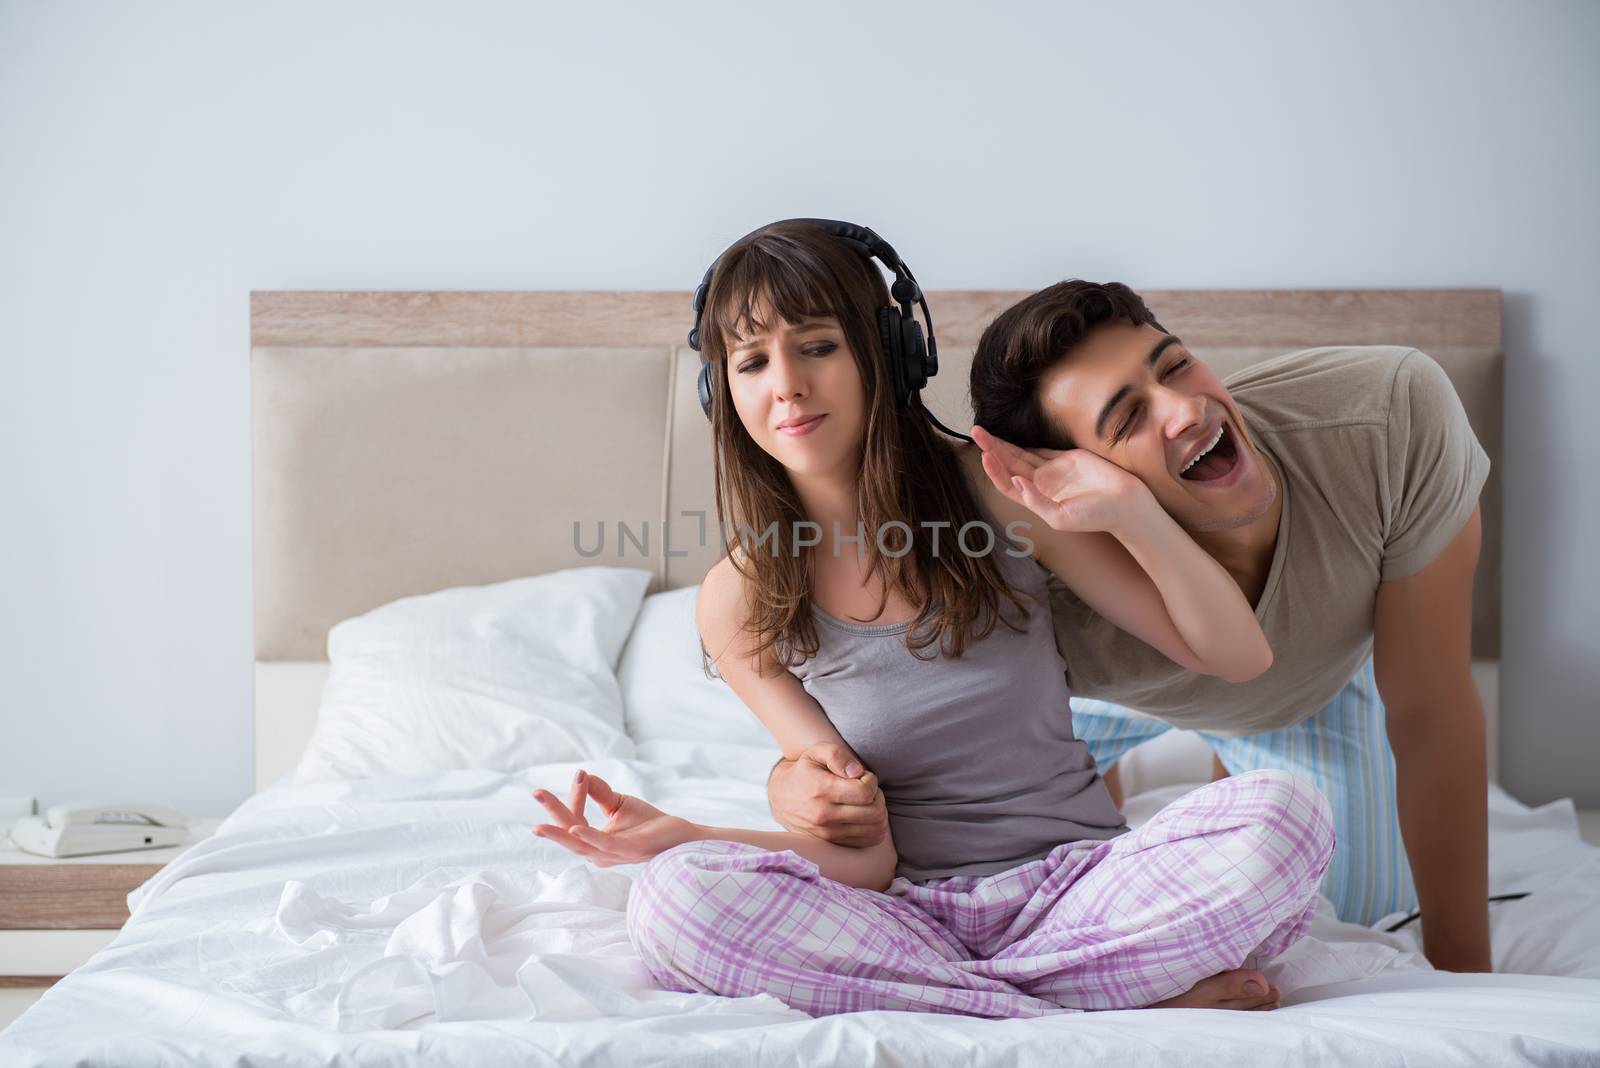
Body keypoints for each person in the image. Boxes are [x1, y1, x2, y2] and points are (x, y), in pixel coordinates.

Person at [531, 220, 1334, 1018]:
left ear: (889, 351)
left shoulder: (998, 492)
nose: (787, 386)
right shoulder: (738, 599)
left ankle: (976, 1004)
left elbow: (1237, 656)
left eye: (817, 346)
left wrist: (1130, 510)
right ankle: (1088, 998)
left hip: (1083, 886)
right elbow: (863, 861)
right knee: (673, 901)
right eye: (751, 361)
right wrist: (686, 837)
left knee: (1285, 818)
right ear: (721, 391)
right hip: (908, 920)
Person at [769, 279, 1492, 973]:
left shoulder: (1387, 419)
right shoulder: (1038, 568)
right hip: (1073, 707)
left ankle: (1222, 765)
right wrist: (786, 780)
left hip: (1302, 691)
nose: (1184, 411)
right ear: (1067, 478)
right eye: (1126, 419)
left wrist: (1469, 980)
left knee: (1358, 904)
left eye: (1174, 366)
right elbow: (893, 712)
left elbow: (1429, 711)